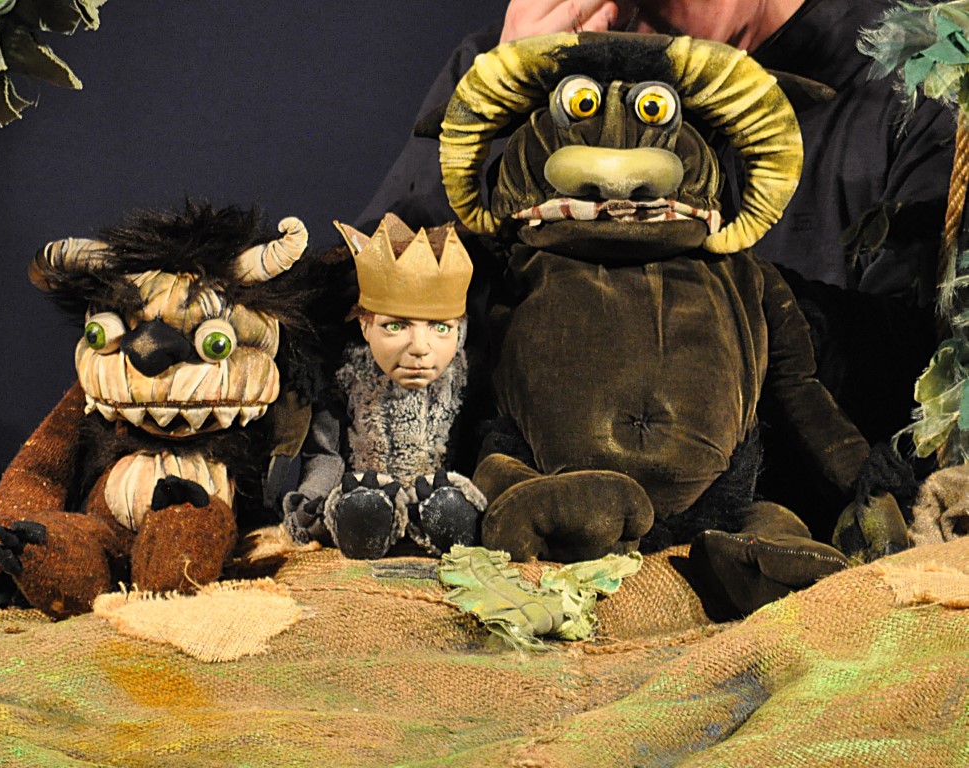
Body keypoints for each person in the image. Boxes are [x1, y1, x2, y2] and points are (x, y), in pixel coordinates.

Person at [358, 0, 955, 460]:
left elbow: (923, 382)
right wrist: (516, 122)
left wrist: (716, 300)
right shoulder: (509, 66)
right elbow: (368, 320)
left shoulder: (926, 80)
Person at [280, 213, 487, 559]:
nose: (420, 347)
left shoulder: (466, 380)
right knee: (362, 507)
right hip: (366, 492)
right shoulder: (346, 378)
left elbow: (482, 444)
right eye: (395, 326)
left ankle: (447, 514)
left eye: (440, 328)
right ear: (365, 326)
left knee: (450, 507)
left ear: (460, 329)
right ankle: (364, 517)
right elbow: (326, 455)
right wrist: (313, 499)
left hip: (440, 495)